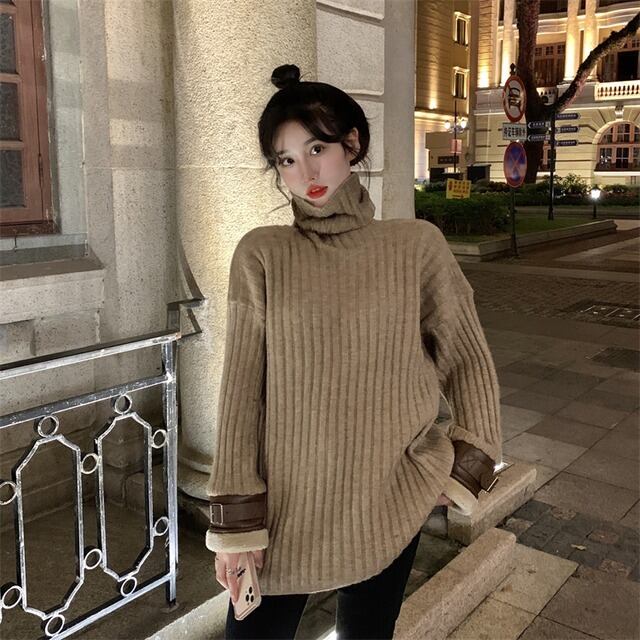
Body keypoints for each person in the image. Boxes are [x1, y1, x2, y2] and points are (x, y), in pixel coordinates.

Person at [205, 64, 502, 639]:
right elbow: (240, 396)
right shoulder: (261, 255)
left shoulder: (415, 247)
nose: (305, 172)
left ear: (352, 144)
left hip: (391, 494)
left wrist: (465, 465)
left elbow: (467, 359)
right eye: (286, 160)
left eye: (316, 148)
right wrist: (236, 531)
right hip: (286, 508)